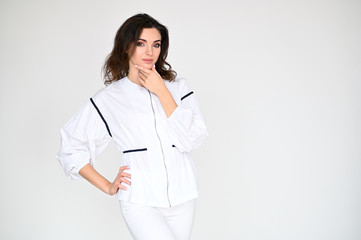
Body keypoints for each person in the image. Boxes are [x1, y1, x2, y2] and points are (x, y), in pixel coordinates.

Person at [56, 13, 209, 240]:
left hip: (183, 198)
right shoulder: (109, 98)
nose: (150, 52)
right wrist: (108, 186)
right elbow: (71, 147)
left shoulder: (178, 87)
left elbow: (193, 139)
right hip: (140, 200)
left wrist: (162, 90)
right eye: (141, 43)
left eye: (156, 44)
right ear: (127, 47)